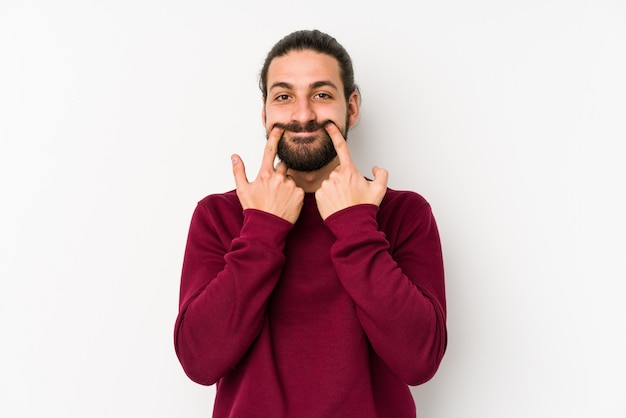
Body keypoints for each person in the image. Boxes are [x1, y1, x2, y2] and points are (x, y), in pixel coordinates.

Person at [174, 29, 447, 418]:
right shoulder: (219, 216)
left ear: (351, 107)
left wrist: (356, 226)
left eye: (321, 94)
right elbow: (199, 362)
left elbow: (420, 361)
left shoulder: (404, 213)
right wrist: (262, 229)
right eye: (284, 96)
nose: (303, 115)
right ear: (265, 110)